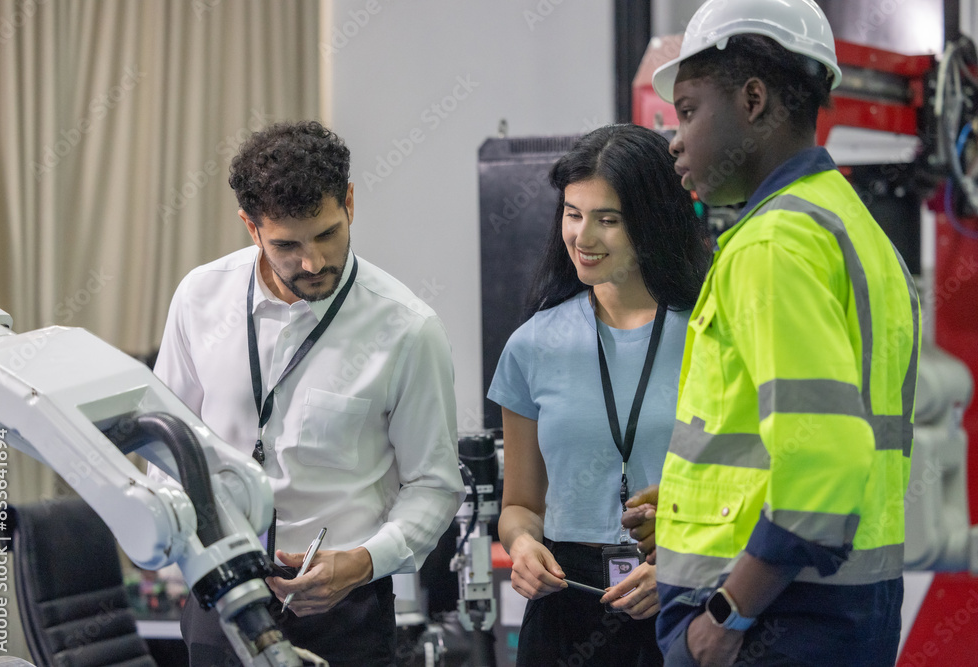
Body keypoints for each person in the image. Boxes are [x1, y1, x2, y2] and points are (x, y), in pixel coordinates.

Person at [629, 1, 921, 665]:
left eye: (689, 110)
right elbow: (809, 434)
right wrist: (691, 506)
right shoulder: (855, 230)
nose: (675, 139)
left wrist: (727, 614)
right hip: (846, 607)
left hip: (775, 620)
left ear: (753, 100)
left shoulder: (772, 245)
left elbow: (825, 456)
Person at [150, 120, 463, 666]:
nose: (313, 263)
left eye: (326, 235)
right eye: (287, 246)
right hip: (218, 596)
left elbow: (434, 486)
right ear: (251, 227)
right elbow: (163, 447)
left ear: (349, 203)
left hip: (345, 609)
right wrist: (189, 546)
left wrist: (364, 562)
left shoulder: (408, 330)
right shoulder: (200, 298)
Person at [489, 124, 712, 666]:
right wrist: (523, 545)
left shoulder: (712, 333)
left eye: (607, 220)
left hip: (683, 592)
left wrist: (683, 568)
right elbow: (520, 505)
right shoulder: (533, 344)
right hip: (566, 604)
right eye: (573, 214)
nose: (582, 237)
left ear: (652, 220)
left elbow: (753, 485)